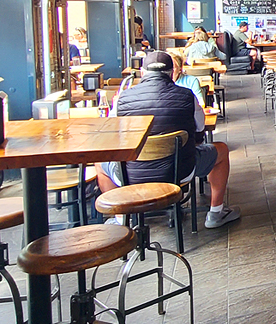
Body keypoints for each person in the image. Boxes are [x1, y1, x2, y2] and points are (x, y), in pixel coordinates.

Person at [99, 51, 238, 229]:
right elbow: (200, 126)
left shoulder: (122, 99)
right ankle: (216, 213)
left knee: (99, 165)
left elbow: (113, 132)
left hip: (131, 173)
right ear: (173, 73)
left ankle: (121, 218)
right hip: (180, 170)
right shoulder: (187, 96)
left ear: (143, 73)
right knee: (221, 150)